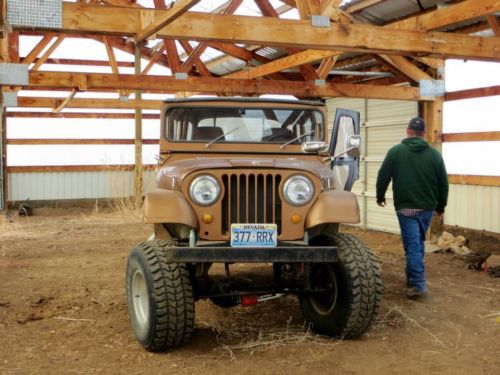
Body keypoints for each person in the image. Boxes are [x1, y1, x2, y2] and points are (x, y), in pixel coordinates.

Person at [376, 117, 448, 300]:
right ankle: (412, 279)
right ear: (423, 133)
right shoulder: (434, 155)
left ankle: (418, 285)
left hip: (406, 207)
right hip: (426, 208)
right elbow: (443, 184)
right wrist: (441, 206)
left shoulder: (396, 152)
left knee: (413, 246)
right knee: (417, 244)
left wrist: (380, 195)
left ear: (408, 131)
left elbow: (383, 175)